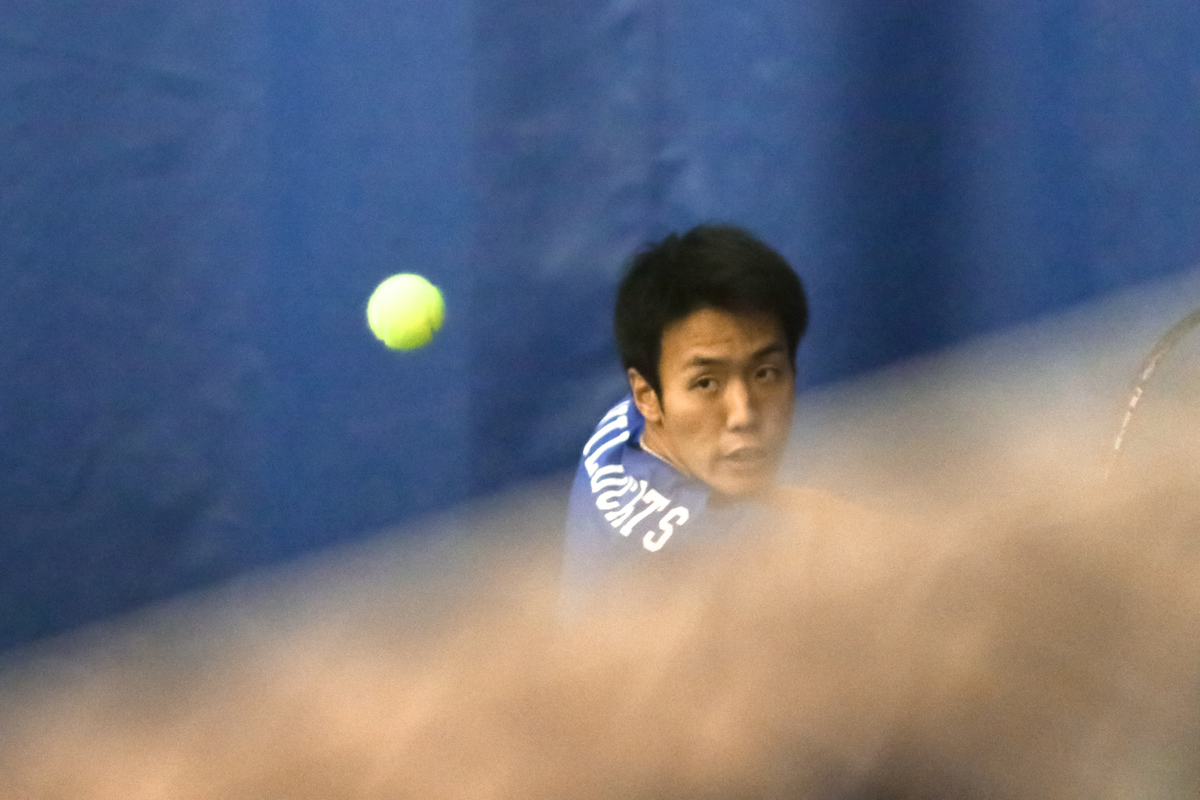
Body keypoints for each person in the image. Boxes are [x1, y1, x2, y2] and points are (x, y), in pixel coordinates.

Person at [561, 224, 810, 601]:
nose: (743, 414)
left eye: (765, 374)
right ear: (647, 396)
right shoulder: (749, 558)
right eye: (706, 383)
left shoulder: (621, 430)